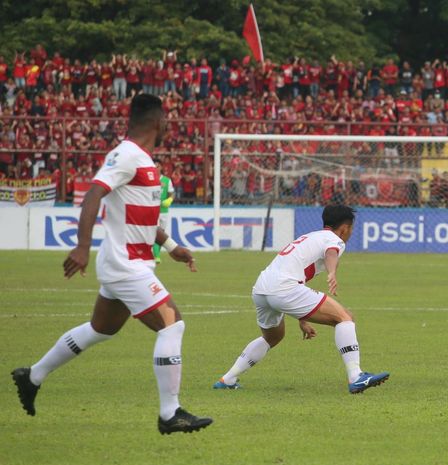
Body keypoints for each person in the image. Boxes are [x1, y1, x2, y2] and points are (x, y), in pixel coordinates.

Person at [11, 94, 212, 435]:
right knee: (171, 324)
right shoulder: (126, 155)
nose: (168, 129)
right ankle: (170, 414)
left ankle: (32, 376)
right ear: (158, 123)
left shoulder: (146, 163)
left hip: (133, 263)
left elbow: (144, 220)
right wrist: (81, 246)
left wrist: (172, 246)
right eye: (167, 123)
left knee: (99, 329)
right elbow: (93, 195)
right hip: (125, 265)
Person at [213, 205, 389, 394]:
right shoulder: (333, 240)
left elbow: (300, 277)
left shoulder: (310, 236)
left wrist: (302, 319)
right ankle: (356, 377)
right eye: (351, 228)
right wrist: (332, 272)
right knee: (344, 317)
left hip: (262, 287)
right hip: (284, 288)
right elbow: (331, 253)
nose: (351, 232)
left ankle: (228, 379)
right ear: (345, 228)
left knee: (273, 336)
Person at [153, 165, 175, 264]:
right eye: (154, 166)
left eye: (157, 166)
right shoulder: (150, 179)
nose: (155, 168)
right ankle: (156, 256)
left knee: (161, 232)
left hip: (164, 210)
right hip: (154, 210)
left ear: (161, 167)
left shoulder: (167, 180)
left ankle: (156, 254)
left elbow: (172, 193)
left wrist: (169, 200)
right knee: (156, 232)